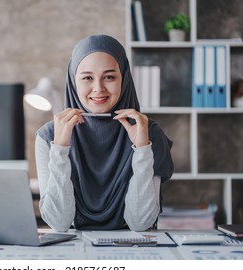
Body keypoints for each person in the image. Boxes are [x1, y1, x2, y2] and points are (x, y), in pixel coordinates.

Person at [35, 34, 174, 232]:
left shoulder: (149, 133)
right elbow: (59, 223)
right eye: (87, 78)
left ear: (123, 79)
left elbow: (140, 223)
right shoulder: (49, 136)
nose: (98, 89)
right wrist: (60, 148)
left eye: (109, 77)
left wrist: (143, 149)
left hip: (134, 252)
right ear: (74, 81)